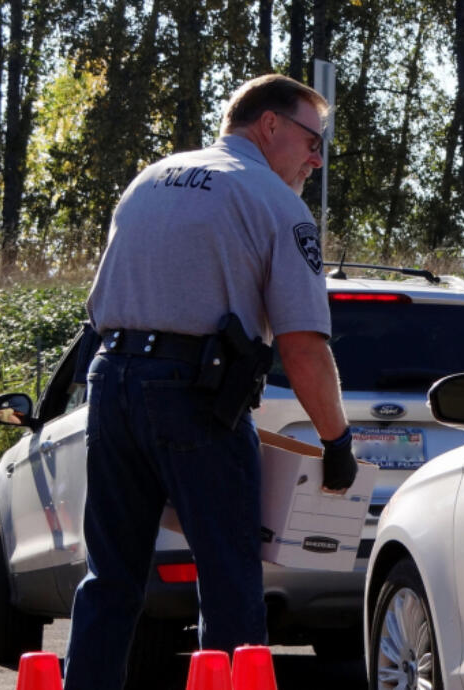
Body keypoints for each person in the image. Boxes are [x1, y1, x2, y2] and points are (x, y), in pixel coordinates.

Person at [62, 74, 357, 690]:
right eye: (311, 140)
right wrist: (336, 441)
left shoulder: (149, 180)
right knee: (227, 580)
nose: (316, 158)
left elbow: (98, 310)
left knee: (110, 578)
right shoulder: (277, 205)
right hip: (194, 398)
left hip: (111, 382)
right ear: (269, 125)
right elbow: (302, 346)